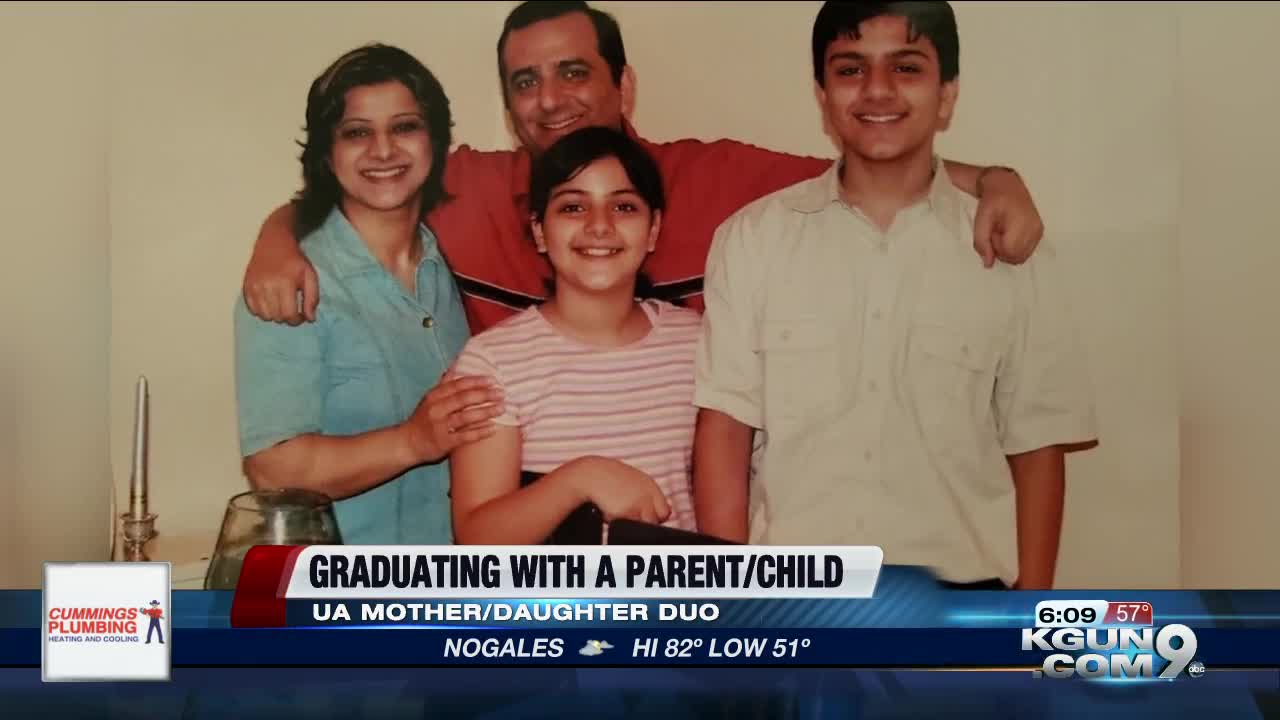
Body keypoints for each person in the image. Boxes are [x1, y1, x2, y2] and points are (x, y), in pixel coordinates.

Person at [239, 1, 1047, 336]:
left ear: (622, 85)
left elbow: (875, 163)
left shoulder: (717, 177)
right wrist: (277, 239)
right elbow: (354, 184)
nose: (550, 100)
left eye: (574, 73)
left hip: (688, 513)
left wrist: (994, 178)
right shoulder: (471, 186)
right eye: (526, 82)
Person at [692, 1, 1099, 590]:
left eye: (906, 68)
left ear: (948, 94)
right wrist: (730, 604)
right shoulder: (752, 240)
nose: (877, 91)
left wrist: (1025, 622)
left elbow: (1036, 446)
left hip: (958, 609)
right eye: (850, 69)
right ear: (823, 95)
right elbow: (725, 432)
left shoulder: (1009, 252)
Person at [233, 44, 504, 545]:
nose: (383, 151)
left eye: (405, 127)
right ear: (326, 153)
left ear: (437, 141)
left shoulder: (457, 255)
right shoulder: (293, 283)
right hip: (346, 597)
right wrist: (413, 441)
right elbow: (274, 471)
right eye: (357, 132)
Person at [448, 126, 701, 544]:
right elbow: (478, 539)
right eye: (572, 208)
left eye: (623, 207)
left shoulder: (695, 342)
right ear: (540, 232)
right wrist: (580, 479)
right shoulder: (494, 361)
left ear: (653, 229)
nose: (599, 226)